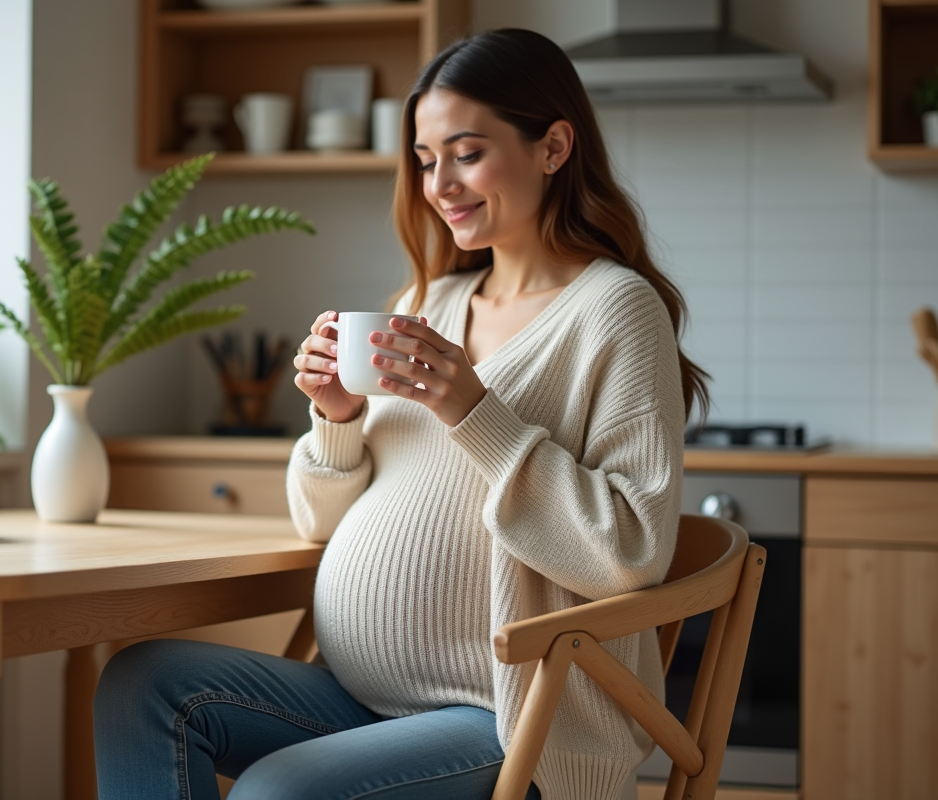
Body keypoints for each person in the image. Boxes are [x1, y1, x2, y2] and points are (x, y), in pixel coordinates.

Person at [93, 28, 709, 800]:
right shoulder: (430, 304)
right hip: (362, 703)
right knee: (141, 684)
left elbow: (632, 554)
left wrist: (474, 409)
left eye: (467, 152)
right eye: (424, 161)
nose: (440, 184)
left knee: (279, 792)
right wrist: (337, 418)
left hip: (513, 718)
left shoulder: (615, 310)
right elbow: (321, 524)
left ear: (553, 147)